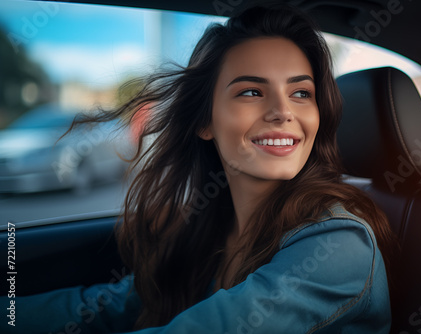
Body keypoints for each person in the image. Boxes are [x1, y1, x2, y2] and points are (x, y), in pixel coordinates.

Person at [1, 4, 397, 333]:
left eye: (300, 93)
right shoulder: (208, 229)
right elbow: (98, 309)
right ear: (205, 122)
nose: (282, 112)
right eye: (251, 92)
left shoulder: (339, 243)